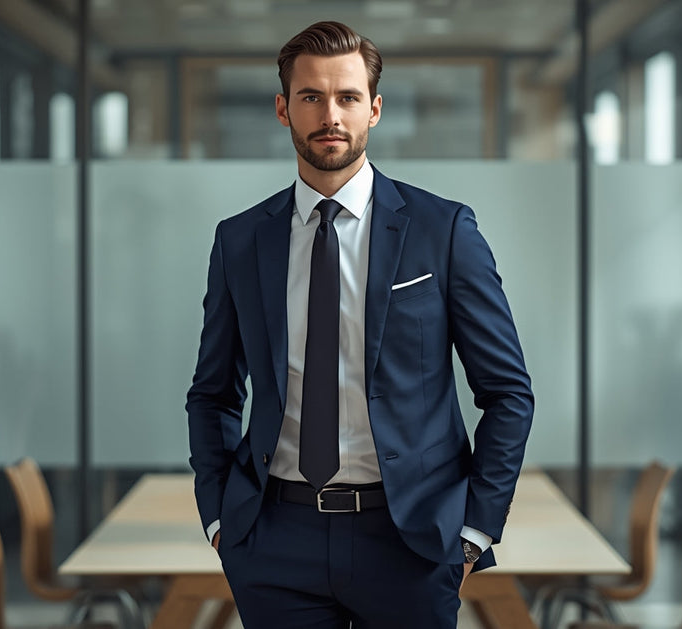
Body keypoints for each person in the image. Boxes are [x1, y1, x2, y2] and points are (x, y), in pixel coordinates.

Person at [186, 20, 534, 629]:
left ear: (373, 109)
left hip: (410, 542)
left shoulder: (443, 231)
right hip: (274, 539)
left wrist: (475, 529)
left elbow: (508, 393)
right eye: (311, 97)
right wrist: (219, 517)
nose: (331, 115)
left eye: (347, 97)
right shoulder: (240, 241)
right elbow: (213, 392)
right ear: (282, 109)